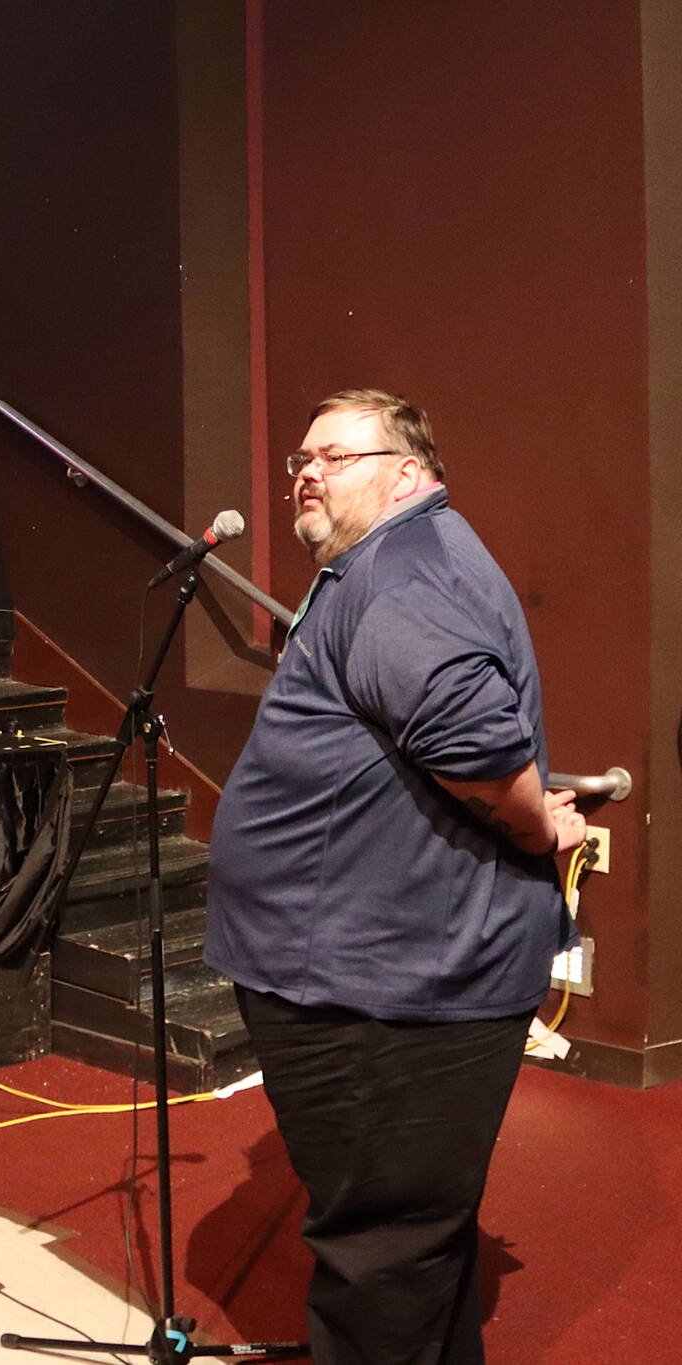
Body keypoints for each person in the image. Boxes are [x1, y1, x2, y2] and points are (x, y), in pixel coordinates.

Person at [203, 388, 585, 1365]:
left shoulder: (403, 577)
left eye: (334, 456)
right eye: (301, 459)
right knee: (405, 1244)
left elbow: (478, 750)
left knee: (383, 1249)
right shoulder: (385, 566)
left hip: (390, 984)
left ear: (407, 473)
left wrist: (538, 827)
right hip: (365, 969)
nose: (306, 473)